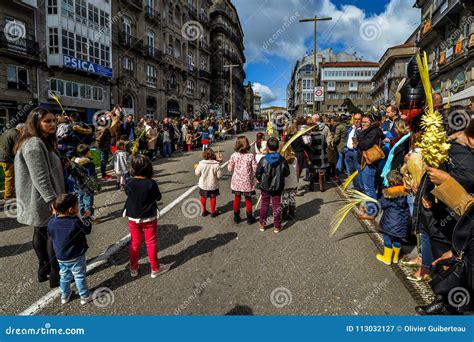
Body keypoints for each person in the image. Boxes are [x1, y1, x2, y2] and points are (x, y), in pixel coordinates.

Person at [14, 107, 65, 288]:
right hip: (42, 198)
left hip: (42, 197)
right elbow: (40, 177)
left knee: (41, 231)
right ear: (36, 123)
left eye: (54, 121)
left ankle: (43, 269)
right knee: (50, 233)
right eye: (47, 121)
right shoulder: (34, 144)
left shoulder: (40, 141)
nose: (53, 124)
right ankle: (54, 273)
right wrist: (53, 201)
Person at [123, 155, 170, 278]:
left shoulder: (128, 182)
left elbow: (127, 193)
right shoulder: (151, 183)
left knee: (135, 242)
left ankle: (133, 267)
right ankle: (155, 268)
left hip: (133, 216)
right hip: (149, 216)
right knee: (151, 242)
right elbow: (158, 197)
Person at [48, 194, 92, 305]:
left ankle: (65, 295)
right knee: (79, 275)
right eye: (77, 205)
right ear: (71, 209)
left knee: (64, 276)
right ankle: (84, 296)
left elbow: (50, 233)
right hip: (76, 255)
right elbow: (87, 230)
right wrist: (87, 218)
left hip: (61, 256)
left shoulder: (51, 222)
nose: (78, 208)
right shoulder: (74, 222)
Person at [376, 170, 410, 265]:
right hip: (402, 223)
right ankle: (395, 258)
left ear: (390, 182)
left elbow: (381, 204)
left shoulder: (389, 194)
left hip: (389, 223)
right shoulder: (406, 192)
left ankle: (387, 258)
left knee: (387, 239)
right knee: (397, 239)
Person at [256, 137, 290, 233]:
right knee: (276, 205)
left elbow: (257, 173)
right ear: (278, 147)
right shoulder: (282, 160)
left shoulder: (263, 160)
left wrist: (260, 180)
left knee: (264, 205)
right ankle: (277, 226)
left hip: (265, 186)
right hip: (278, 186)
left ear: (267, 147)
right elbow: (287, 173)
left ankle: (262, 224)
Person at [356, 113, 386, 219]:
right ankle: (366, 208)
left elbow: (364, 145)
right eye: (362, 121)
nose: (363, 123)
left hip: (369, 164)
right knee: (364, 188)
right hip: (361, 161)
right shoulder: (366, 131)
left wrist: (359, 136)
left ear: (371, 122)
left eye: (365, 122)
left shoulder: (374, 132)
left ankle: (372, 212)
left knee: (369, 189)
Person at [228, 136, 257, 225]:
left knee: (237, 198)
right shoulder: (251, 156)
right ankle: (249, 218)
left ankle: (236, 217)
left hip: (237, 181)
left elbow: (229, 169)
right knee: (248, 199)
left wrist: (230, 164)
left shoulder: (234, 155)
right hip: (247, 182)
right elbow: (255, 168)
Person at [69, 144, 98, 218]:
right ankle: (89, 218)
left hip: (78, 187)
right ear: (88, 152)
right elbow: (92, 176)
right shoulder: (90, 164)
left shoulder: (74, 163)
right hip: (87, 187)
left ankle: (82, 216)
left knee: (81, 202)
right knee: (88, 203)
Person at [195, 148, 222, 218]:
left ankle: (203, 211)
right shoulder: (216, 164)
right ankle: (213, 212)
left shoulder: (201, 163)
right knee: (213, 197)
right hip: (213, 184)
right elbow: (219, 176)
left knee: (203, 197)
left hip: (203, 184)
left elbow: (197, 173)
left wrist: (197, 168)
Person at [0, 124, 23, 199]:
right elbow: (19, 147)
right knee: (10, 176)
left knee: (10, 175)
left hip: (2, 157)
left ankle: (11, 192)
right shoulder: (16, 134)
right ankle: (8, 195)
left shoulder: (8, 131)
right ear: (21, 129)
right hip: (7, 158)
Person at [308, 115, 329, 192]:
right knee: (321, 171)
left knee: (312, 171)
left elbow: (309, 145)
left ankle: (311, 185)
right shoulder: (322, 135)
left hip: (313, 155)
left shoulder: (310, 136)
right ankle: (321, 186)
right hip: (321, 155)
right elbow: (325, 145)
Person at [344, 113, 362, 191]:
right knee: (351, 171)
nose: (356, 121)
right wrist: (345, 149)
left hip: (356, 152)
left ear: (361, 120)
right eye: (355, 119)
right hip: (348, 151)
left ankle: (359, 188)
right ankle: (355, 186)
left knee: (357, 171)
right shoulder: (350, 128)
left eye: (358, 119)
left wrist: (359, 131)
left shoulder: (361, 129)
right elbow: (346, 138)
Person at [281, 144, 298, 221]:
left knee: (284, 199)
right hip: (293, 182)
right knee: (292, 198)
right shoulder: (295, 159)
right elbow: (297, 171)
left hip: (285, 183)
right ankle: (292, 213)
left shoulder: (281, 160)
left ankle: (284, 213)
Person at [95, 116, 112, 180]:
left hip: (103, 147)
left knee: (104, 160)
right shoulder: (103, 129)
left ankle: (104, 173)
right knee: (103, 161)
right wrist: (103, 145)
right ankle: (103, 175)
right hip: (103, 147)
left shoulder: (101, 128)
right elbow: (99, 139)